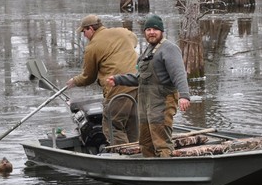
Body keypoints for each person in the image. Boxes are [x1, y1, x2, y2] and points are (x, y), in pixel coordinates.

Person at [107, 14, 190, 157]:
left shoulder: (169, 48)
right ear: (144, 32)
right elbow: (140, 78)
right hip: (146, 106)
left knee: (161, 142)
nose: (151, 32)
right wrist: (118, 80)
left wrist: (184, 96)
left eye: (155, 29)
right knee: (145, 142)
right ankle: (151, 172)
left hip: (162, 103)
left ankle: (168, 171)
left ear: (161, 31)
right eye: (148, 29)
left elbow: (179, 74)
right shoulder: (147, 51)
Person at [66, 14, 139, 146]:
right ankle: (139, 154)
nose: (84, 35)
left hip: (118, 89)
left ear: (90, 29)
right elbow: (134, 40)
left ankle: (123, 158)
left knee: (112, 125)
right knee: (132, 125)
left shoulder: (92, 47)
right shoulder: (122, 32)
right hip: (137, 84)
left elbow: (88, 77)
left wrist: (74, 81)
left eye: (84, 31)